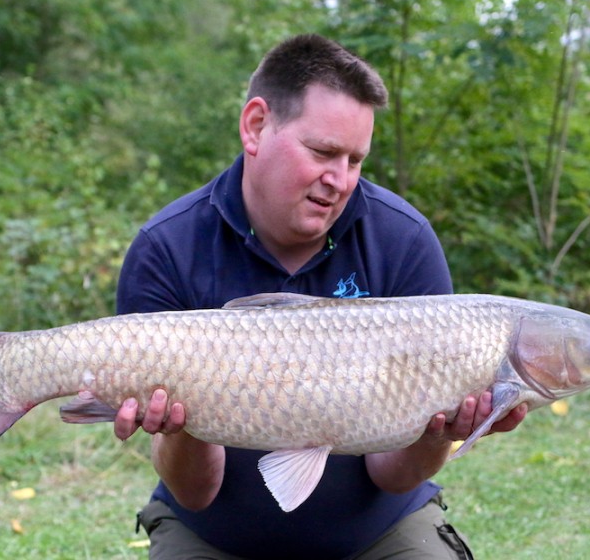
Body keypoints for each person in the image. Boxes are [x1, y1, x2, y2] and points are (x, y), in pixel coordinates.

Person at [113, 34, 527, 560]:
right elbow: (195, 491)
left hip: (376, 530)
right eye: (323, 152)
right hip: (212, 532)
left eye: (356, 161)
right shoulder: (167, 247)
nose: (340, 180)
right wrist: (181, 426)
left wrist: (437, 433)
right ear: (256, 126)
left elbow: (394, 476)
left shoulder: (403, 240)